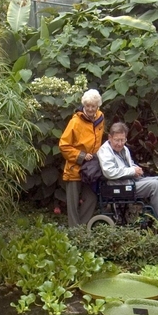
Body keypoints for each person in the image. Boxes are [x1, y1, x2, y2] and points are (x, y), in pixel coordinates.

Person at [97, 122, 158, 224]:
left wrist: (137, 169)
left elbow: (130, 165)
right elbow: (109, 172)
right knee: (154, 185)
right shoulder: (105, 151)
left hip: (131, 180)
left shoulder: (124, 149)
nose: (120, 143)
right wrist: (132, 171)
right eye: (117, 140)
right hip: (119, 186)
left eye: (123, 140)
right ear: (110, 137)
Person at [59, 89, 105, 227]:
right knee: (72, 203)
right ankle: (74, 232)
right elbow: (63, 146)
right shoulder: (75, 122)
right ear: (84, 105)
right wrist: (82, 156)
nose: (90, 109)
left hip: (92, 169)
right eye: (88, 106)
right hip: (75, 168)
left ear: (98, 106)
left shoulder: (100, 117)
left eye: (93, 106)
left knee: (91, 198)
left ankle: (82, 228)